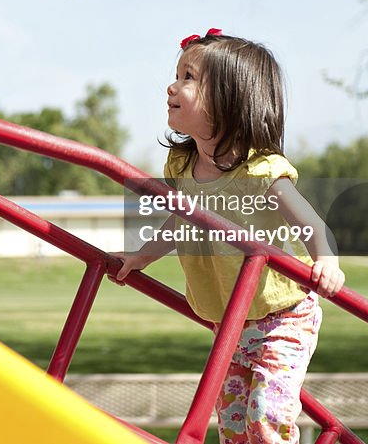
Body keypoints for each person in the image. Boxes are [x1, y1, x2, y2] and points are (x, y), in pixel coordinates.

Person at [113, 29, 345, 444]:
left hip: (283, 315)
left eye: (189, 77)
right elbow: (183, 222)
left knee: (265, 414)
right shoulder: (183, 168)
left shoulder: (260, 173)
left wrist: (326, 259)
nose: (172, 85)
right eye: (177, 73)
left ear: (232, 100)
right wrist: (141, 257)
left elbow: (309, 222)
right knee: (233, 422)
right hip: (231, 320)